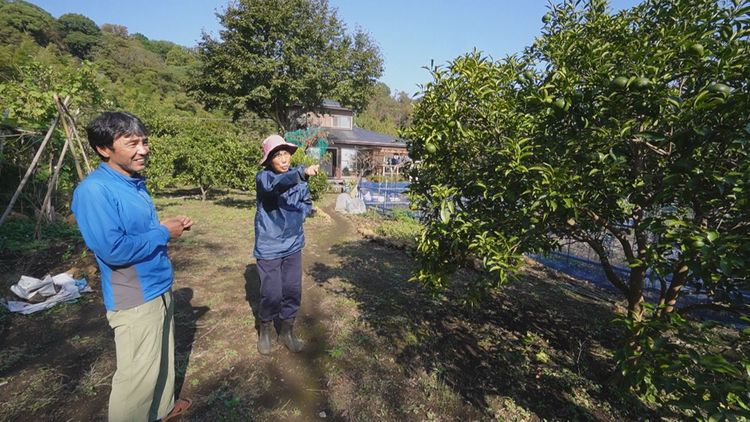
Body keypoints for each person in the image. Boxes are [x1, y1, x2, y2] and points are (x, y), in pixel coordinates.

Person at [71, 111, 193, 421]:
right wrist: (164, 231)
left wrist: (168, 226)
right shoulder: (95, 191)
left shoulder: (131, 182)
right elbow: (113, 250)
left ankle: (162, 409)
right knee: (137, 376)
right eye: (132, 143)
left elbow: (139, 233)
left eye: (145, 142)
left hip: (158, 285)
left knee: (161, 360)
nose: (143, 150)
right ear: (104, 149)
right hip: (135, 295)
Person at [254, 134, 319, 355]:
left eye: (286, 154)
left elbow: (306, 202)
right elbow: (276, 185)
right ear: (269, 160)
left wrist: (299, 216)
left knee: (292, 290)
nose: (283, 159)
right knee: (272, 293)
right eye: (277, 155)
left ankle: (287, 332)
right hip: (269, 244)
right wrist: (300, 173)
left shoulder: (298, 179)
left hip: (293, 243)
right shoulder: (264, 178)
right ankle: (265, 329)